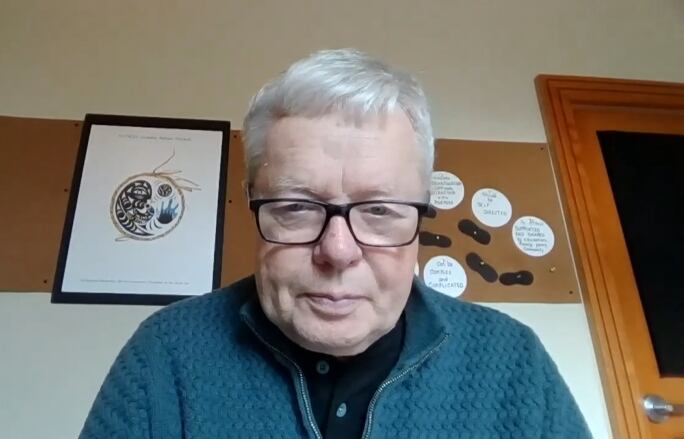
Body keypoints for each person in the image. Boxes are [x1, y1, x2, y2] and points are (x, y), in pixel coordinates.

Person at [79, 49, 591, 438]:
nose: (339, 251)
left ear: (421, 208)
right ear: (252, 201)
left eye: (381, 210)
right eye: (297, 207)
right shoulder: (165, 355)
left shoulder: (513, 360)